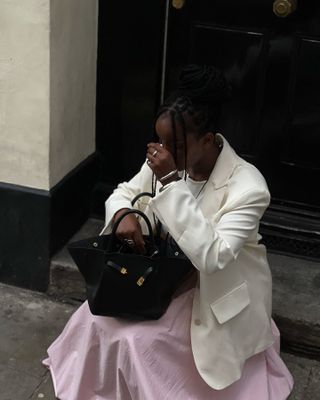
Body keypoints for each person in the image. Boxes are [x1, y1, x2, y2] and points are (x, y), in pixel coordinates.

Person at [43, 64, 293, 399]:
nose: (160, 151)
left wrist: (172, 183)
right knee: (95, 316)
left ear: (207, 140)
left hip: (211, 289)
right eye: (158, 140)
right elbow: (123, 192)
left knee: (136, 340)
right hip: (164, 274)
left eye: (172, 143)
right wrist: (122, 213)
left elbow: (213, 257)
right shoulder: (169, 160)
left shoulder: (248, 188)